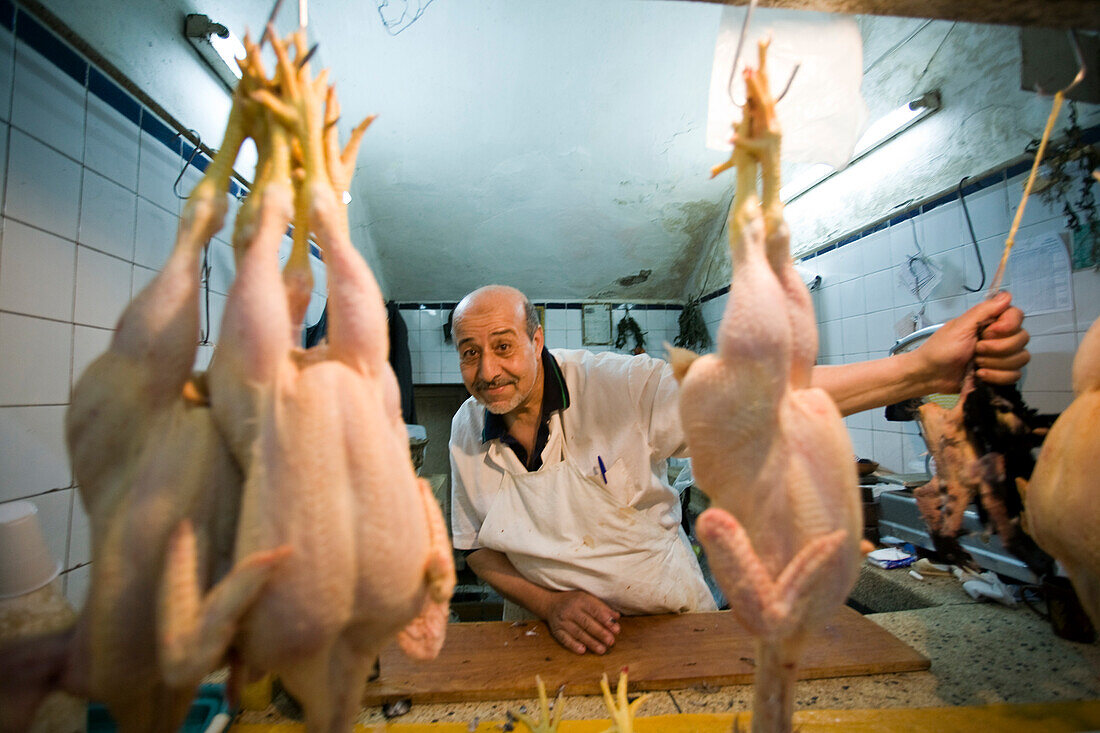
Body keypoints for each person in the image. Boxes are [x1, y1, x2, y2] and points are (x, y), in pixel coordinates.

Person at [448, 285, 1030, 655]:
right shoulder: (465, 428)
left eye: (503, 345)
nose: (487, 369)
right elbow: (477, 548)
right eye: (469, 352)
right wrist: (550, 606)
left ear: (537, 338)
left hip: (669, 624)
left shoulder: (616, 385)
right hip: (545, 635)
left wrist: (922, 372)